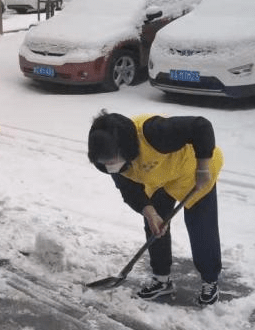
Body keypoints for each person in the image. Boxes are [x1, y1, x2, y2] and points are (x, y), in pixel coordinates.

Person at [87, 110, 223, 306]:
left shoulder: (155, 133)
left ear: (125, 149)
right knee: (154, 227)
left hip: (193, 172)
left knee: (201, 227)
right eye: (104, 163)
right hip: (160, 180)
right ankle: (161, 280)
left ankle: (210, 281)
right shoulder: (109, 157)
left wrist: (203, 167)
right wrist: (149, 212)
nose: (109, 166)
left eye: (112, 161)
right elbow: (130, 191)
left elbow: (201, 126)